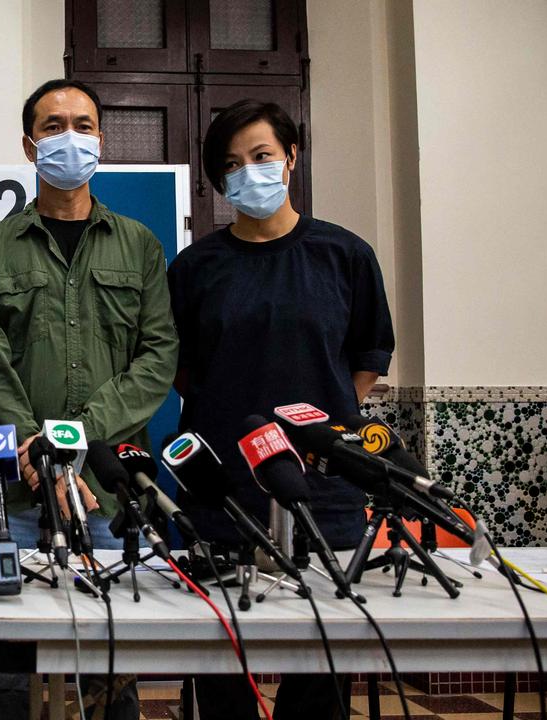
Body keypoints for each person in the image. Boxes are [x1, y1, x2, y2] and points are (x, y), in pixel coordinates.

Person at [168, 99, 395, 719]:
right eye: (232, 164)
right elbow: (181, 368)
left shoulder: (345, 255)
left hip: (324, 493)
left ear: (291, 157)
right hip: (221, 492)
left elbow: (368, 358)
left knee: (320, 671)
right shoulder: (195, 268)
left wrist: (323, 429)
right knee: (218, 668)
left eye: (262, 156)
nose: (249, 172)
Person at [0, 78, 179, 720]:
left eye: (82, 125)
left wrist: (73, 439)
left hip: (107, 496)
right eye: (53, 127)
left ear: (101, 142)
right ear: (30, 147)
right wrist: (40, 450)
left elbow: (157, 355)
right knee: (4, 671)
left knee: (111, 670)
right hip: (16, 494)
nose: (69, 138)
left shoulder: (138, 244)